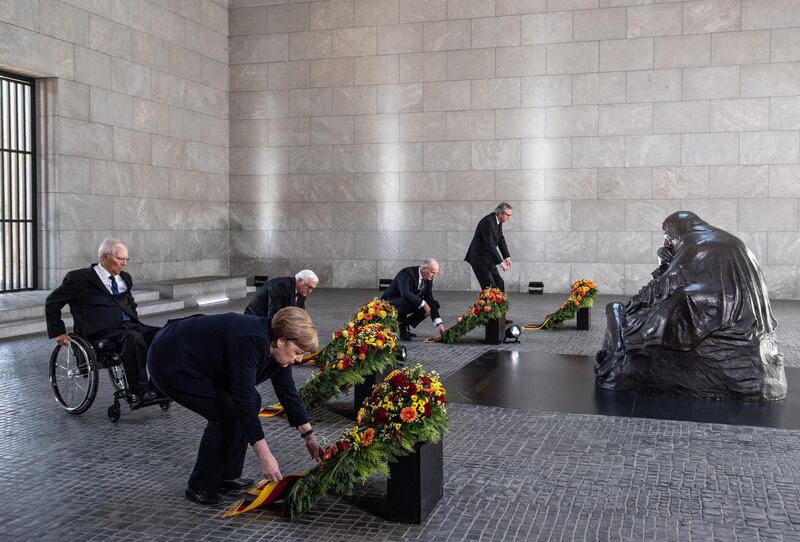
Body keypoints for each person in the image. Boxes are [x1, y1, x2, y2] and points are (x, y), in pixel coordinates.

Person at [147, 307, 324, 505]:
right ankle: (200, 485)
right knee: (225, 412)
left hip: (201, 359)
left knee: (250, 403)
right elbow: (242, 399)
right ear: (282, 340)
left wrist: (308, 435)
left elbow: (287, 392)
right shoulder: (250, 340)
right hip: (171, 360)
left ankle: (227, 475)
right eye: (298, 352)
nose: (299, 359)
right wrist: (265, 456)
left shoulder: (277, 345)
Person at [45, 238, 159, 404]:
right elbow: (52, 302)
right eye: (120, 259)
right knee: (133, 338)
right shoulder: (79, 279)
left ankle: (160, 385)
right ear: (105, 257)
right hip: (101, 331)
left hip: (129, 327)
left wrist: (134, 318)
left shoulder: (125, 278)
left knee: (164, 335)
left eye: (127, 259)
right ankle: (139, 391)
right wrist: (59, 332)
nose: (124, 263)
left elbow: (130, 302)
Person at [381, 258, 445, 341]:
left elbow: (429, 298)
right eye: (432, 272)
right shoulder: (406, 273)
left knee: (435, 304)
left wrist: (438, 323)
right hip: (390, 301)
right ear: (424, 268)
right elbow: (405, 293)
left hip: (407, 302)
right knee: (406, 301)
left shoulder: (428, 277)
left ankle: (404, 323)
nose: (434, 276)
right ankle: (402, 331)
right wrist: (424, 304)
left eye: (436, 273)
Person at [465, 202, 513, 293]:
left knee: (500, 284)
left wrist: (507, 257)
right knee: (489, 288)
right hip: (479, 259)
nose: (509, 218)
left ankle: (499, 307)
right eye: (508, 215)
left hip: (488, 258)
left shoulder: (498, 221)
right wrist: (501, 263)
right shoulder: (488, 222)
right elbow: (489, 245)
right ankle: (487, 307)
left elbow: (500, 239)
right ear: (501, 213)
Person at [244, 270, 318, 319]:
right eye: (308, 287)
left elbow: (300, 312)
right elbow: (273, 315)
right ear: (299, 280)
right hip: (256, 319)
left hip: (271, 318)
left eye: (312, 288)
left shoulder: (302, 289)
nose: (309, 291)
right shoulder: (279, 286)